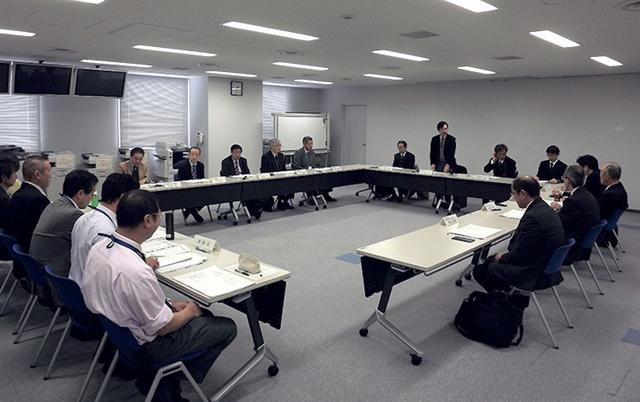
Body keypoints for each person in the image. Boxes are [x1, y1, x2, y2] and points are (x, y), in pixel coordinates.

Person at [82, 190, 237, 401]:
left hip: (121, 334)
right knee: (225, 327)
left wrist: (169, 304)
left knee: (202, 317)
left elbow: (129, 297)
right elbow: (162, 327)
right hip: (146, 348)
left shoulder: (100, 247)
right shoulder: (136, 271)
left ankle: (164, 378)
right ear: (148, 220)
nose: (160, 217)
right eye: (158, 214)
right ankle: (162, 378)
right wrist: (191, 311)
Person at [472, 176, 565, 293]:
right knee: (491, 261)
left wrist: (502, 257)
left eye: (513, 193)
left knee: (481, 270)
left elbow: (520, 255)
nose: (513, 197)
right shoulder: (544, 208)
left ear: (523, 194)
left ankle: (503, 299)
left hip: (533, 270)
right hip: (545, 263)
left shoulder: (532, 217)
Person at [69, 173, 140, 285]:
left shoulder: (84, 218)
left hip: (76, 283)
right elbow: (114, 273)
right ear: (123, 198)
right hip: (91, 291)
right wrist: (142, 263)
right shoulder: (106, 231)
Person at [30, 169, 98, 277]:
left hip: (38, 268)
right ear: (80, 194)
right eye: (92, 193)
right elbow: (86, 246)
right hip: (55, 274)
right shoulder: (74, 215)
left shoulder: (55, 204)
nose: (92, 198)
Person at [549, 165, 600, 261]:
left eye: (564, 178)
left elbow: (558, 223)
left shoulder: (573, 201)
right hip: (582, 238)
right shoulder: (585, 194)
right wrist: (561, 209)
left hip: (572, 245)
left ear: (568, 180)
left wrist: (548, 213)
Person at [7, 156, 52, 253]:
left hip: (21, 249)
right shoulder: (39, 200)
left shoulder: (18, 194)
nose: (50, 175)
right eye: (49, 171)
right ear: (38, 174)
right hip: (35, 251)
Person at [220, 144, 262, 219]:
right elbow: (225, 175)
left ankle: (254, 209)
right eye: (235, 152)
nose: (237, 154)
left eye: (239, 152)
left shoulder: (243, 160)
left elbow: (247, 173)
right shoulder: (226, 162)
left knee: (254, 189)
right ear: (231, 153)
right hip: (233, 185)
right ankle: (252, 210)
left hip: (244, 184)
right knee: (247, 192)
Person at [292, 136, 336, 203]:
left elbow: (315, 164)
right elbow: (296, 166)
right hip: (303, 175)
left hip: (313, 173)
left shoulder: (312, 152)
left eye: (312, 144)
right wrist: (306, 169)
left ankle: (325, 194)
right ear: (304, 144)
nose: (311, 146)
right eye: (309, 144)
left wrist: (316, 169)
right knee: (311, 180)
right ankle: (311, 197)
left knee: (325, 177)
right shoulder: (298, 153)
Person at [597, 162, 628, 247]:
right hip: (609, 227)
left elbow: (598, 211)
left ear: (607, 176)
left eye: (601, 173)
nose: (600, 175)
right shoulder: (619, 188)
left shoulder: (610, 194)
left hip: (601, 232)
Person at [175, 146, 206, 223]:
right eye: (192, 154)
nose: (194, 156)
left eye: (196, 155)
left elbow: (202, 179)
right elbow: (181, 180)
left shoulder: (201, 166)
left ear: (199, 156)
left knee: (208, 196)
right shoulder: (182, 165)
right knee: (191, 197)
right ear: (189, 155)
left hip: (197, 188)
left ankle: (189, 211)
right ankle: (194, 213)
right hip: (186, 189)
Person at [260, 139, 293, 211]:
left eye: (280, 145)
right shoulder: (266, 157)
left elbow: (284, 168)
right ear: (272, 147)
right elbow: (264, 171)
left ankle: (283, 202)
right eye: (278, 145)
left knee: (292, 184)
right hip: (271, 180)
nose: (280, 147)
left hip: (281, 179)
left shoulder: (281, 156)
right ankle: (270, 203)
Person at [0, 152, 19, 260]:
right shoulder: (4, 200)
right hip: (5, 251)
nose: (16, 176)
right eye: (14, 173)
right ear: (4, 177)